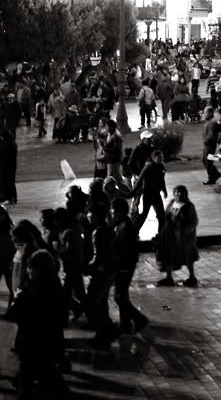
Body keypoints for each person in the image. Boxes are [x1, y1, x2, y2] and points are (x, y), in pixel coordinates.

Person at [2, 249, 68, 398]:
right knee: (44, 374)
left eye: (30, 268)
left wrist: (18, 298)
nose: (28, 271)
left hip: (33, 342)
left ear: (38, 270)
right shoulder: (54, 285)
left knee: (36, 376)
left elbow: (14, 314)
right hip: (47, 341)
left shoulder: (34, 291)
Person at [110, 198, 149, 334]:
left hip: (125, 265)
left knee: (119, 296)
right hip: (124, 264)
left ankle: (139, 318)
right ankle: (125, 323)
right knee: (122, 295)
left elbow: (126, 249)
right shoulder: (121, 223)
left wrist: (120, 265)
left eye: (114, 211)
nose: (112, 213)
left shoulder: (126, 226)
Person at [85, 202, 117, 350]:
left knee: (92, 301)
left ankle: (107, 329)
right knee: (102, 301)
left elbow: (98, 256)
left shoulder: (98, 232)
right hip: (110, 270)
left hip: (102, 272)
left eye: (90, 213)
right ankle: (103, 335)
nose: (88, 216)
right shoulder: (109, 229)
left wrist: (88, 267)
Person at [160, 185, 200, 287]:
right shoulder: (172, 203)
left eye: (181, 192)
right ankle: (169, 277)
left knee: (188, 257)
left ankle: (192, 277)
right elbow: (166, 216)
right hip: (170, 235)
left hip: (184, 237)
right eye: (176, 192)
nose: (178, 194)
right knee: (169, 255)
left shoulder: (189, 206)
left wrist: (185, 231)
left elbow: (193, 221)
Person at [132, 150, 168, 233]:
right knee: (145, 214)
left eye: (161, 157)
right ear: (154, 158)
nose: (160, 159)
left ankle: (161, 233)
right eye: (158, 158)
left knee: (161, 214)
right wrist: (135, 191)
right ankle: (134, 231)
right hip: (148, 194)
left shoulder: (161, 167)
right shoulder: (148, 167)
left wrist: (164, 190)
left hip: (156, 194)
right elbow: (140, 179)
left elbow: (162, 180)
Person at [201, 106, 221, 185]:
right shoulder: (210, 121)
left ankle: (212, 177)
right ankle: (215, 173)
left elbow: (212, 134)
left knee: (208, 161)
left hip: (209, 145)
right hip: (207, 144)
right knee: (206, 160)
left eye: (205, 112)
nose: (204, 114)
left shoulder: (212, 122)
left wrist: (207, 140)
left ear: (210, 113)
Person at [0, 128, 18, 205]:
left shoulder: (6, 144)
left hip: (6, 166)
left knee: (6, 182)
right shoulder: (12, 143)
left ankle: (8, 197)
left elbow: (1, 153)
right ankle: (12, 198)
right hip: (11, 165)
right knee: (10, 182)